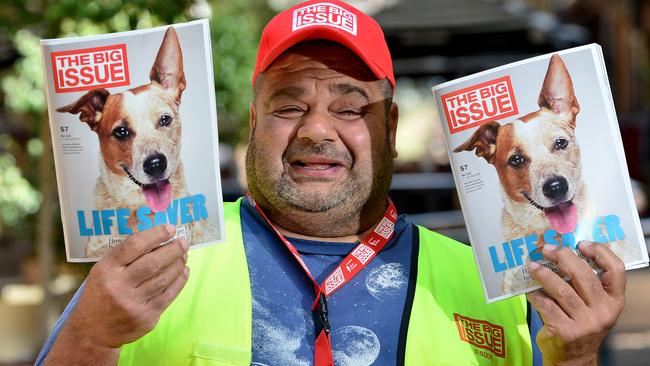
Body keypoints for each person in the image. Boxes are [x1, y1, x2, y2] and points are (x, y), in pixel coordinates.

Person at [38, 1, 626, 365]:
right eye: (289, 106)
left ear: (390, 128)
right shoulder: (140, 272)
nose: (316, 130)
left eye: (350, 108)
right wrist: (90, 337)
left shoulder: (493, 289)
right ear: (252, 122)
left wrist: (575, 357)